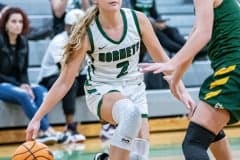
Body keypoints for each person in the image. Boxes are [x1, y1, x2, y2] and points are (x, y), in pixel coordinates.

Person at [25, 1, 195, 160]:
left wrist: (184, 94)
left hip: (135, 89)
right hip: (101, 91)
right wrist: (37, 117)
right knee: (130, 113)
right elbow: (64, 81)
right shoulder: (87, 32)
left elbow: (164, 61)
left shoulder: (138, 20)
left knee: (140, 156)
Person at [140, 0, 240, 159]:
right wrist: (176, 77)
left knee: (194, 142)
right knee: (208, 129)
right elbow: (195, 35)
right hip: (233, 68)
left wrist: (173, 63)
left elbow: (203, 34)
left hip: (234, 69)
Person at [0, 7, 61, 145]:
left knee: (41, 91)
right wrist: (20, 86)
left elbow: (23, 71)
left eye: (20, 22)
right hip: (2, 84)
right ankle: (46, 130)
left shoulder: (23, 42)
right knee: (23, 94)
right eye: (13, 21)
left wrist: (25, 83)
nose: (18, 25)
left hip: (16, 84)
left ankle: (39, 132)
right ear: (5, 24)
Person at [38, 9, 86, 144]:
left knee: (97, 81)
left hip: (74, 76)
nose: (78, 30)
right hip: (50, 78)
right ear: (66, 27)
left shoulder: (86, 40)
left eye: (81, 27)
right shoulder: (58, 41)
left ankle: (107, 126)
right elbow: (65, 70)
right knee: (70, 81)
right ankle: (70, 128)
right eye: (74, 27)